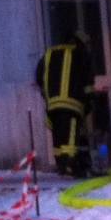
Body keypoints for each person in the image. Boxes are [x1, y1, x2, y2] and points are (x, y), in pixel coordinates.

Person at [34, 31, 95, 178]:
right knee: (70, 137)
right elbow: (88, 82)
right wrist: (88, 103)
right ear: (79, 42)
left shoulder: (49, 53)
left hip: (53, 104)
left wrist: (47, 95)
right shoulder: (80, 54)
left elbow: (38, 76)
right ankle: (70, 166)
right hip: (72, 104)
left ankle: (62, 166)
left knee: (58, 137)